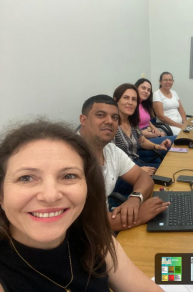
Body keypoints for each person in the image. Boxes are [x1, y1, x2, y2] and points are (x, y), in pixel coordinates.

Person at [0, 120, 162, 291]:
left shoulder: (96, 240)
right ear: (1, 195)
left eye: (69, 176)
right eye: (26, 178)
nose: (50, 196)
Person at [79, 95, 169, 231]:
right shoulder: (71, 159)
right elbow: (86, 223)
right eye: (100, 115)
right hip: (85, 240)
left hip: (106, 225)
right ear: (83, 120)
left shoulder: (110, 150)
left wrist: (135, 198)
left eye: (115, 117)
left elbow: (143, 177)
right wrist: (139, 215)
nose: (109, 121)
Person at [113, 83, 173, 176]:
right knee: (166, 176)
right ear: (115, 100)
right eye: (126, 98)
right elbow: (111, 161)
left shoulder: (132, 122)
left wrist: (157, 146)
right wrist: (138, 171)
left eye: (134, 99)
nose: (130, 102)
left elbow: (142, 141)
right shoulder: (111, 126)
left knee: (170, 170)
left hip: (138, 164)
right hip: (124, 174)